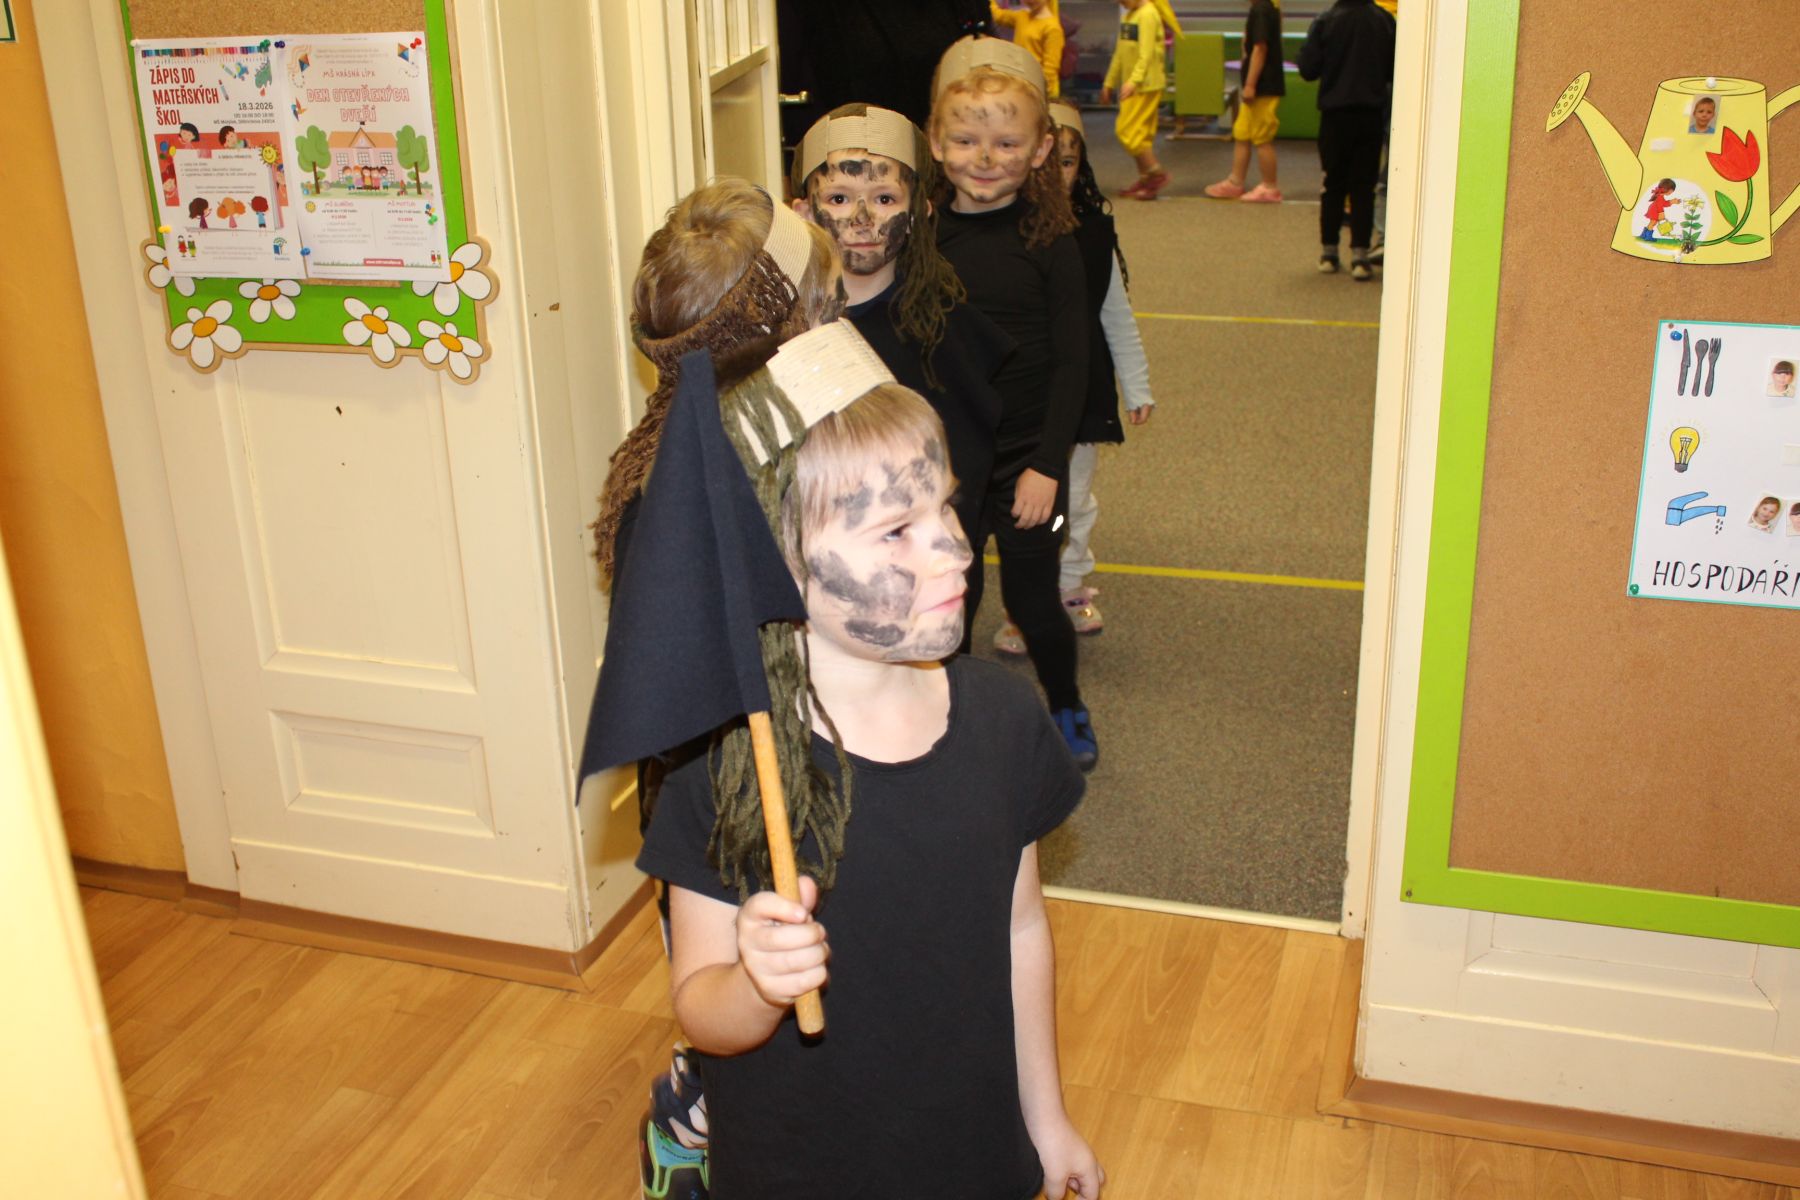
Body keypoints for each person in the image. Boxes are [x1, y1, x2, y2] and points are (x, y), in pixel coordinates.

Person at [637, 336, 1104, 1199]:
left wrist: (1046, 1118)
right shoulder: (729, 770)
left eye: (945, 507)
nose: (955, 550)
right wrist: (757, 984)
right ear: (775, 565)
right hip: (796, 1172)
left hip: (969, 1151)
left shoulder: (1004, 721)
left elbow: (1020, 932)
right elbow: (702, 1012)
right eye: (896, 530)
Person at [579, 177, 842, 1200]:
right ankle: (694, 1112)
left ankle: (713, 1086)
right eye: (825, 294)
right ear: (798, 318)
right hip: (731, 778)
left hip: (699, 772)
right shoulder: (760, 462)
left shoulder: (667, 444)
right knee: (735, 967)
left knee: (751, 954)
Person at [931, 38, 1100, 769]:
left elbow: (1074, 362)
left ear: (1040, 151)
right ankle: (945, 718)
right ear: (936, 143)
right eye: (967, 140)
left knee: (1033, 602)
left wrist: (1047, 465)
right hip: (951, 464)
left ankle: (1065, 703)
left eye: (1006, 143)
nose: (985, 158)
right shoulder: (923, 236)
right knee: (953, 597)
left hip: (1030, 460)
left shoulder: (1052, 239)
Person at [791, 103, 1011, 543]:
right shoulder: (786, 333)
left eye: (885, 199)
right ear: (805, 212)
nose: (862, 220)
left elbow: (968, 474)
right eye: (838, 199)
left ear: (918, 213)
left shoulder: (947, 336)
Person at [996, 101, 1154, 653]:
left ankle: (1067, 583)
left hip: (1080, 392)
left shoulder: (1093, 234)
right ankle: (1024, 602)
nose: (1055, 174)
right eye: (1048, 162)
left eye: (1068, 163)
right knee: (1022, 504)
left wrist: (1137, 384)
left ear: (1080, 167)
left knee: (1075, 500)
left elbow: (1116, 316)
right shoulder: (1002, 231)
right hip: (1019, 394)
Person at [1298, 0, 1396, 280]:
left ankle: (1329, 252)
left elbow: (1308, 69)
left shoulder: (1325, 20)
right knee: (1364, 186)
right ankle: (1360, 256)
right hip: (1371, 115)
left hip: (1335, 116)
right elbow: (1394, 69)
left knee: (1333, 183)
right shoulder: (1384, 21)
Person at [1205, 0, 1285, 203]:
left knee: (1262, 137)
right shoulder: (1261, 9)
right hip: (1259, 85)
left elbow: (1260, 48)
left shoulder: (1262, 10)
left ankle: (1270, 187)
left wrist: (1250, 84)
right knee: (1242, 132)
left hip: (1263, 86)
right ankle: (1235, 181)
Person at [1100, 0, 1171, 200]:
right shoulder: (1129, 15)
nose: (1120, 2)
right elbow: (1120, 53)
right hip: (1132, 85)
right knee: (1140, 134)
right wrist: (1109, 82)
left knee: (1127, 131)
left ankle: (1156, 174)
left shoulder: (1148, 14)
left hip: (1145, 85)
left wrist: (1134, 81)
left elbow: (1146, 54)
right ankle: (1146, 180)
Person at [989, 0, 1066, 97]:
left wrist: (1043, 95)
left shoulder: (1053, 29)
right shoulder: (1021, 17)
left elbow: (1050, 70)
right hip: (1023, 85)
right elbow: (998, 15)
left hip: (1042, 92)